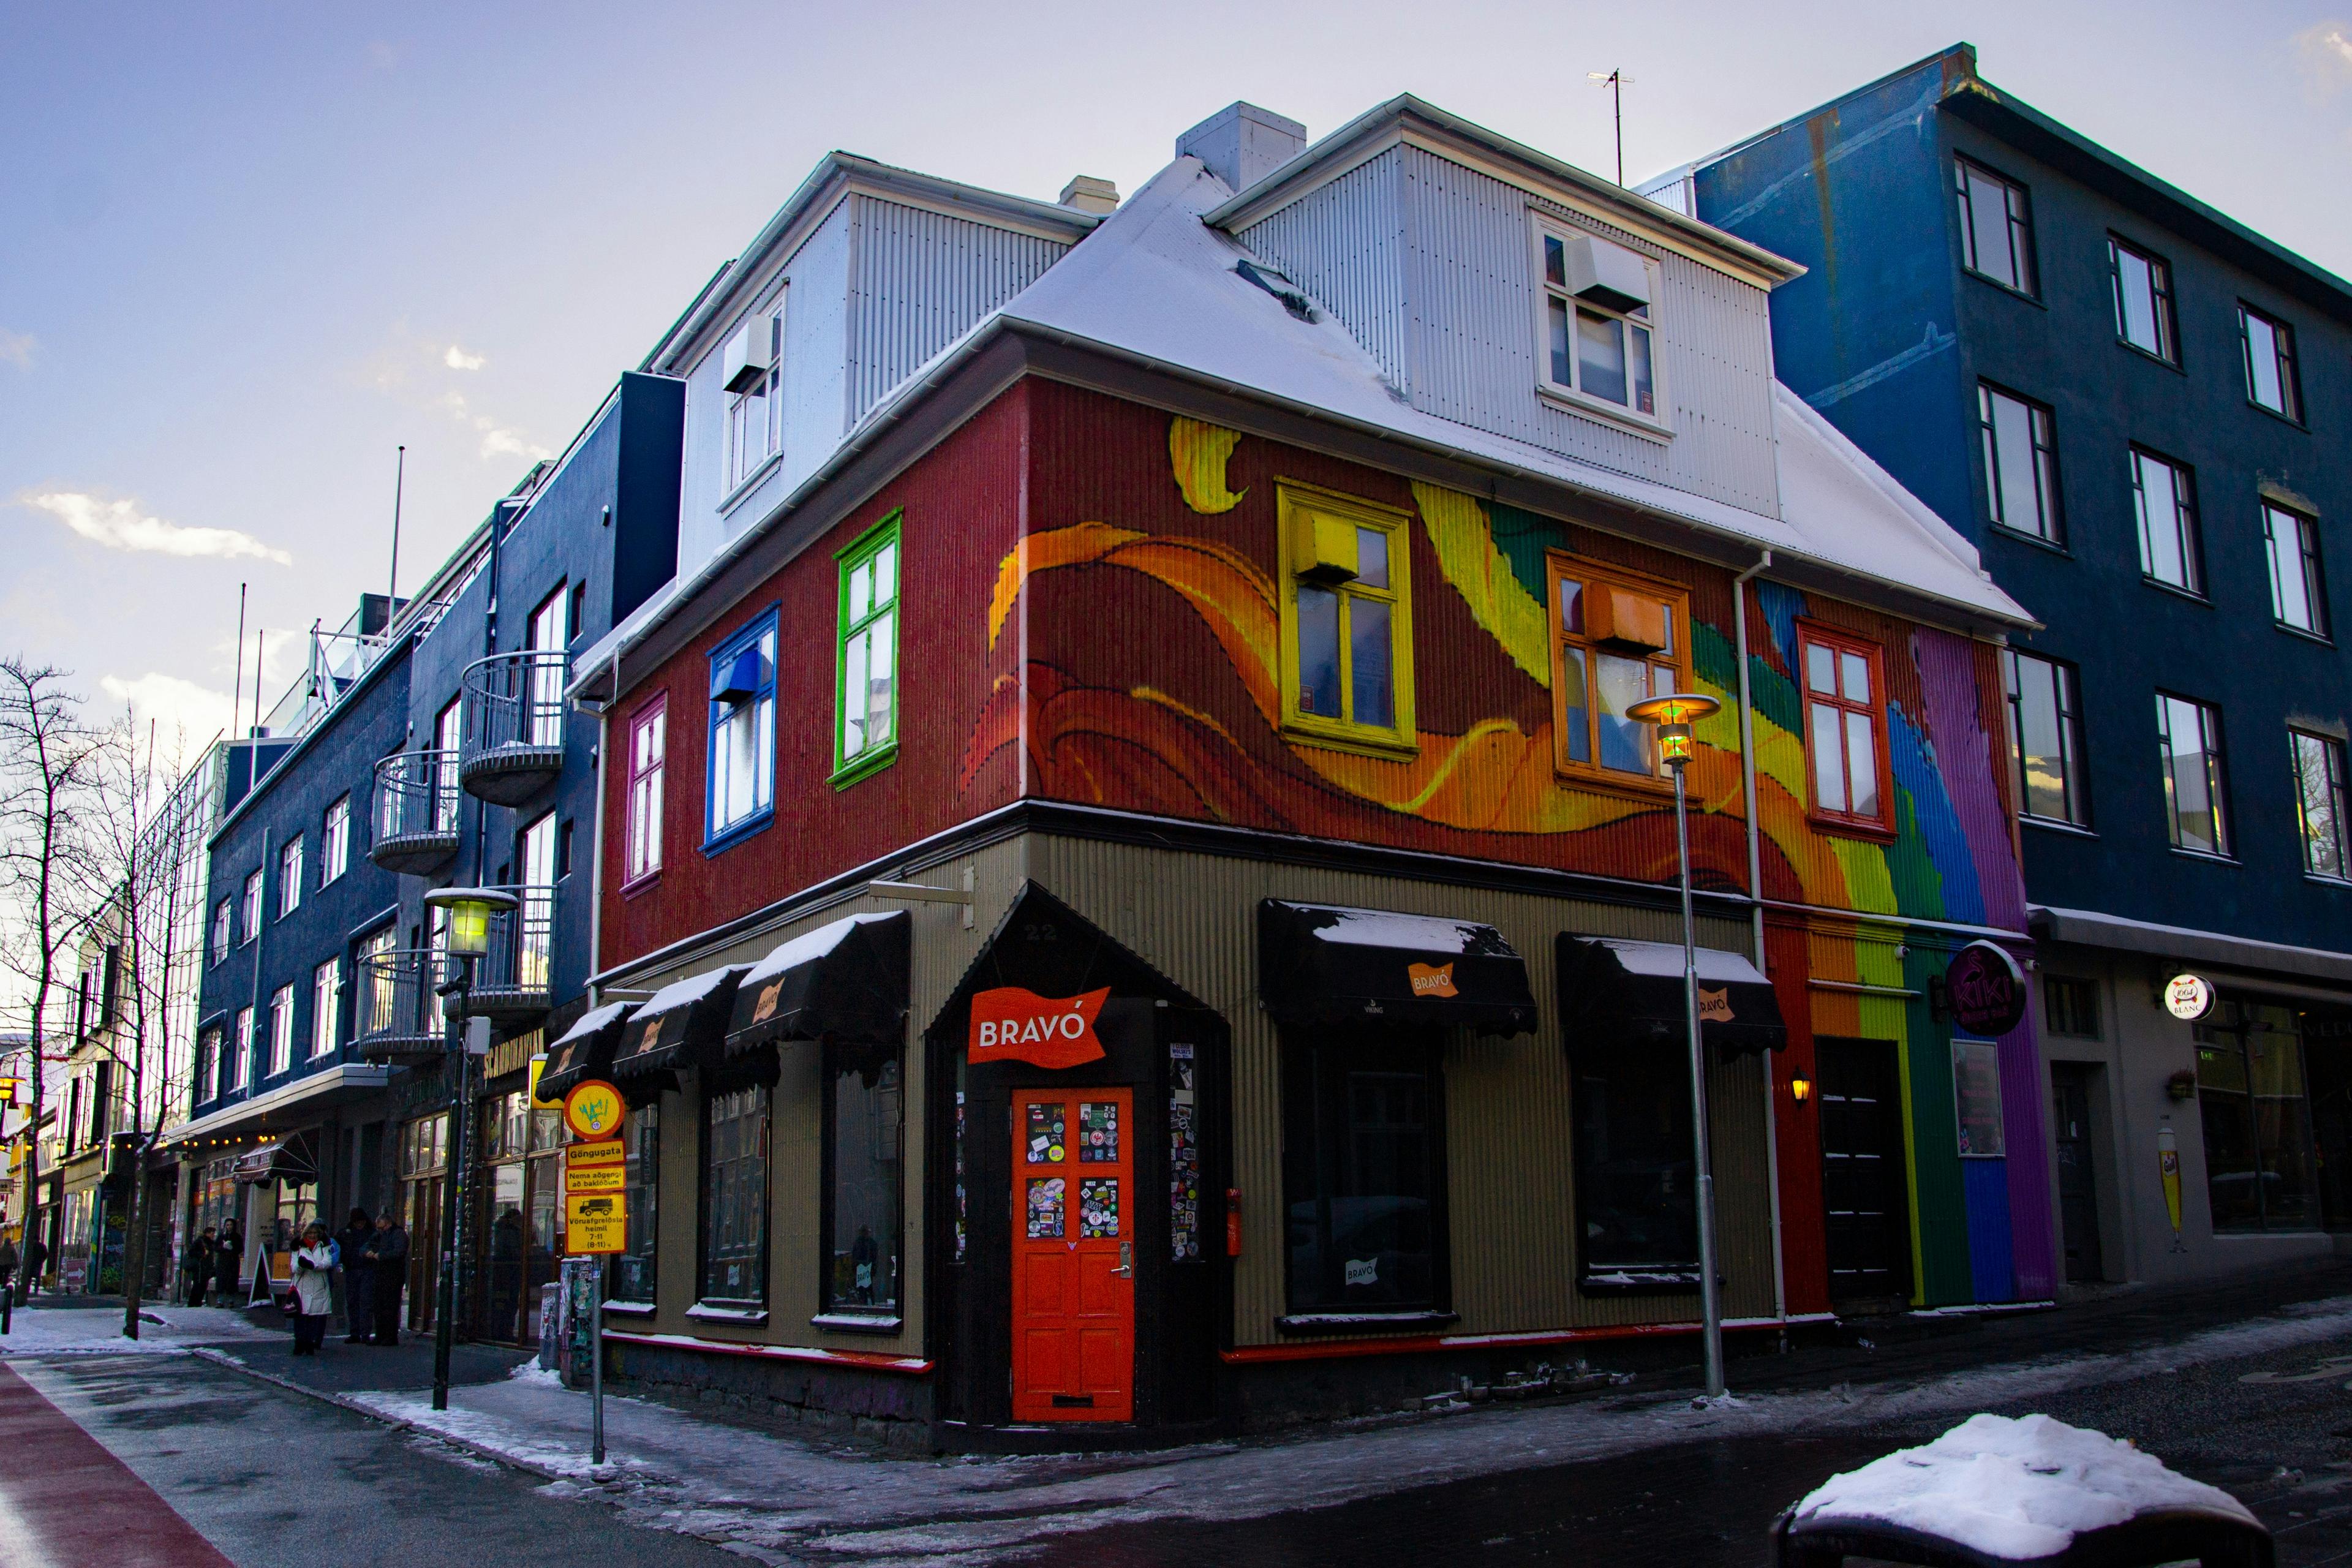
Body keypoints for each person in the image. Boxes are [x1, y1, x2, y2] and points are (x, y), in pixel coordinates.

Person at [288, 1224, 334, 1356]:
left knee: (314, 1316)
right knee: (300, 1317)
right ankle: (299, 1343)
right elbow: (294, 1267)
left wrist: (314, 1266)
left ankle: (309, 1344)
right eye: (310, 1233)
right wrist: (302, 1266)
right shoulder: (298, 1247)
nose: (313, 1235)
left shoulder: (324, 1246)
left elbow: (328, 1262)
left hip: (319, 1285)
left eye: (315, 1233)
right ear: (305, 1233)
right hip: (302, 1286)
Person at [364, 1212, 408, 1346]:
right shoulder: (380, 1234)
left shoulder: (398, 1234)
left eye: (382, 1227)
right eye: (378, 1228)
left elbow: (399, 1252)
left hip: (394, 1275)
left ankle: (390, 1337)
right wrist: (368, 1252)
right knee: (379, 1306)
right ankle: (380, 1335)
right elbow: (367, 1245)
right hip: (380, 1274)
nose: (380, 1230)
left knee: (391, 1306)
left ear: (389, 1224)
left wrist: (381, 1256)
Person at [334, 1208, 373, 1343]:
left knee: (365, 1302)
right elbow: (335, 1245)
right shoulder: (346, 1233)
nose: (359, 1225)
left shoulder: (370, 1232)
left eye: (361, 1222)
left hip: (366, 1269)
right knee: (353, 1302)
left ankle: (364, 1333)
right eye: (357, 1223)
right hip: (352, 1270)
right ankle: (356, 1332)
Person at [184, 1227, 217, 1307]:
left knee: (204, 1285)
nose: (213, 1235)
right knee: (198, 1285)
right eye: (212, 1233)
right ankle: (193, 1303)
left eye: (214, 1233)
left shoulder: (211, 1243)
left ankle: (198, 1302)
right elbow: (191, 1252)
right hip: (199, 1268)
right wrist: (202, 1255)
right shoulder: (200, 1241)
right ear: (207, 1233)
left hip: (207, 1268)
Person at [214, 1219, 243, 1303]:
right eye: (227, 1225)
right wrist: (223, 1247)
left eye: (231, 1225)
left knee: (232, 1281)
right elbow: (216, 1247)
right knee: (221, 1281)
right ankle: (220, 1300)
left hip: (233, 1262)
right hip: (222, 1262)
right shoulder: (222, 1236)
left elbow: (240, 1248)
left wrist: (233, 1248)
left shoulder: (237, 1237)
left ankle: (231, 1300)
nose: (229, 1227)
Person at [21, 1234, 48, 1298]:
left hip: (31, 1263)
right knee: (37, 1277)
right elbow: (46, 1254)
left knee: (29, 1276)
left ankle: (27, 1289)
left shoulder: (31, 1246)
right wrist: (42, 1260)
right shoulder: (42, 1246)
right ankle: (36, 1289)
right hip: (38, 1263)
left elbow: (27, 1254)